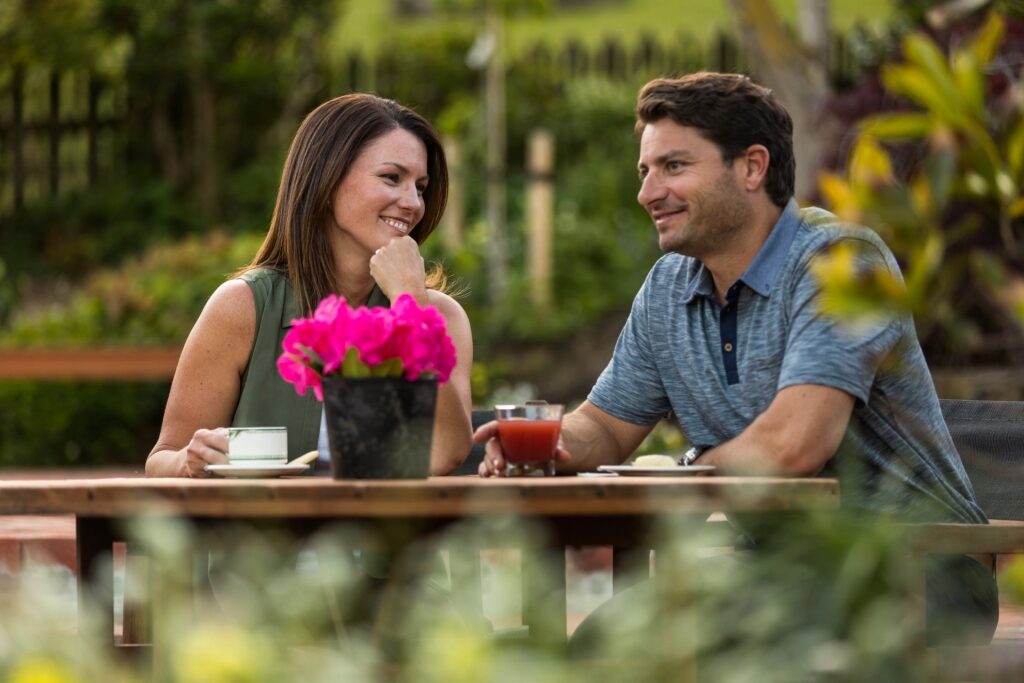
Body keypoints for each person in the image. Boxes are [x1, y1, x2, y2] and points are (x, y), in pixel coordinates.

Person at [475, 72, 997, 646]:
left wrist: (685, 470)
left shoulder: (842, 263)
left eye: (674, 166)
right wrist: (550, 443)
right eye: (645, 171)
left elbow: (793, 444)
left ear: (752, 167)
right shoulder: (669, 287)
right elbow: (604, 426)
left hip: (911, 569)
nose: (648, 192)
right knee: (603, 643)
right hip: (774, 572)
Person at [146, 93, 473, 478]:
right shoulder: (243, 308)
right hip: (263, 537)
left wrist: (410, 306)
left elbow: (447, 452)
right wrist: (191, 460)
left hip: (386, 537)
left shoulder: (439, 316)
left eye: (420, 186)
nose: (413, 203)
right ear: (327, 178)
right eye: (391, 178)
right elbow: (162, 458)